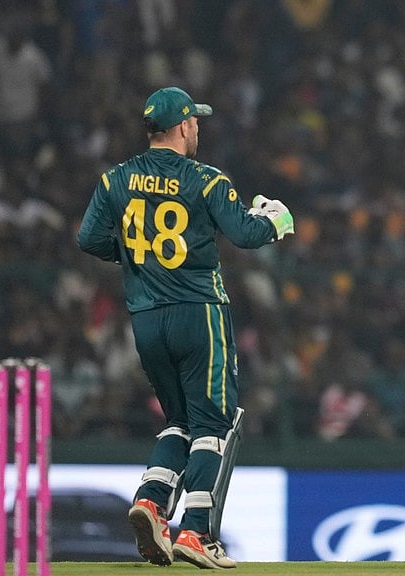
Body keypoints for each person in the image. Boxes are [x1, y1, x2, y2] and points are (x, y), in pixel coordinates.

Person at [77, 86, 294, 569]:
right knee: (215, 424)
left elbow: (88, 238)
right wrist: (275, 220)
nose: (198, 128)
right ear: (181, 126)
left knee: (179, 420)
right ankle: (197, 533)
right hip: (199, 312)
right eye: (195, 120)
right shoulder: (206, 179)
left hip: (146, 318)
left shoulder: (115, 179)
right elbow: (244, 234)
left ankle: (152, 501)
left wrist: (138, 259)